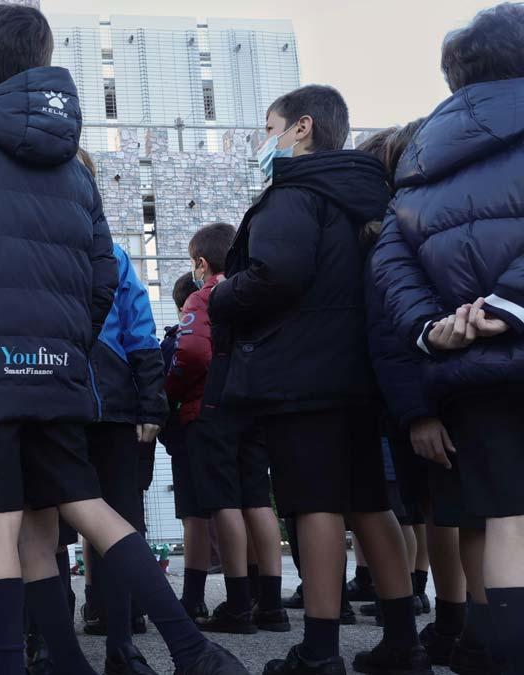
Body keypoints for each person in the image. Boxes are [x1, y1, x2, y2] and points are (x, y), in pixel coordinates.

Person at [0, 6, 244, 675]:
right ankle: (190, 648)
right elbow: (103, 275)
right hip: (55, 373)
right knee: (80, 509)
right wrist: (65, 346)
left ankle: (16, 664)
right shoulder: (75, 175)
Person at [208, 84, 425, 675]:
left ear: (301, 128)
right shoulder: (365, 193)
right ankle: (403, 640)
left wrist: (223, 295)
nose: (265, 139)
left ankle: (320, 651)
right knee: (368, 503)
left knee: (317, 508)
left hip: (302, 375)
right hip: (358, 373)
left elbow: (277, 274)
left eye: (270, 126)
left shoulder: (295, 194)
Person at [371, 5, 524, 671]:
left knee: (501, 518)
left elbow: (390, 257)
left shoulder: (422, 151)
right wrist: (507, 301)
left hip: (467, 370)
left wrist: (431, 327)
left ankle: (498, 652)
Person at [173, 222, 288, 636]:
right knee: (258, 499)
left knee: (224, 502)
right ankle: (270, 604)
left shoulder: (203, 298)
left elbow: (189, 351)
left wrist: (171, 389)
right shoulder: (254, 293)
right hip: (256, 406)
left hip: (213, 407)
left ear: (201, 264)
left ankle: (237, 604)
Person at [84, 235, 170, 675]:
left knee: (116, 522)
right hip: (75, 397)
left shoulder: (110, 252)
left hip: (100, 401)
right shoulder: (107, 252)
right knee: (104, 520)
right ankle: (52, 638)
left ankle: (119, 636)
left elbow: (139, 324)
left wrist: (151, 398)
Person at [161, 272, 212, 621]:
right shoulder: (236, 328)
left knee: (194, 513)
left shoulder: (180, 340)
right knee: (244, 506)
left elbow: (168, 388)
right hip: (238, 422)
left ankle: (193, 597)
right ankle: (257, 594)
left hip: (193, 425)